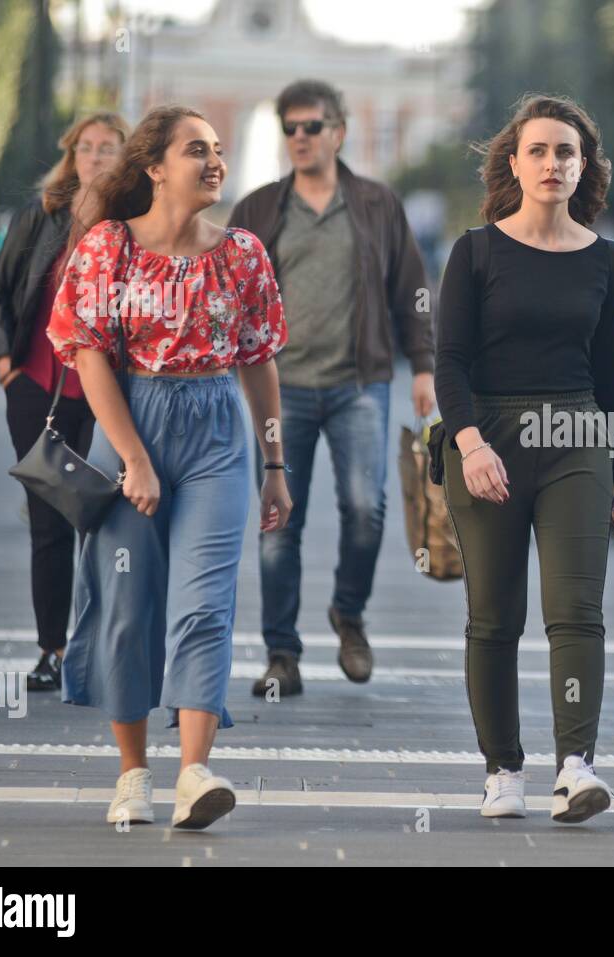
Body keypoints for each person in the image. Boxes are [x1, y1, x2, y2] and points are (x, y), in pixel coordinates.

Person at [45, 106, 292, 830]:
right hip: (134, 421)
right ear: (154, 166)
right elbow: (88, 353)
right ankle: (132, 774)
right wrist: (133, 459)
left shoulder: (243, 251)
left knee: (205, 604)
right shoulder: (105, 248)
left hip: (218, 431)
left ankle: (193, 771)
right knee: (127, 606)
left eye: (218, 151)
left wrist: (273, 460)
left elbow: (259, 359)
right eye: (197, 151)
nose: (214, 162)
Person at [435, 93, 614, 823]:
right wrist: (469, 445)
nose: (553, 163)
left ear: (584, 167)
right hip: (487, 437)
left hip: (578, 438)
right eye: (539, 151)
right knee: (494, 617)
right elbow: (449, 362)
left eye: (567, 152)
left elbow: (609, 371)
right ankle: (502, 769)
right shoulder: (476, 251)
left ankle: (576, 765)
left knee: (576, 611)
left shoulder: (608, 260)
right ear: (514, 164)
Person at [229, 80, 435, 696]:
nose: (299, 137)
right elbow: (229, 294)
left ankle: (348, 612)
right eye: (289, 127)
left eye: (311, 126)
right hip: (280, 389)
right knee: (278, 522)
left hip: (358, 386)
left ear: (338, 132)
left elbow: (411, 289)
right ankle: (281, 654)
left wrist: (422, 365)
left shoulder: (375, 203)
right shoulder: (259, 208)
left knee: (365, 510)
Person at [0, 112, 129, 693]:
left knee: (105, 517)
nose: (94, 157)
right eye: (86, 147)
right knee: (50, 518)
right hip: (36, 386)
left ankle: (109, 643)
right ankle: (53, 650)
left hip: (105, 392)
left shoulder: (133, 225)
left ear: (126, 158)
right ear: (72, 155)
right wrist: (5, 367)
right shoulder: (40, 216)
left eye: (108, 148)